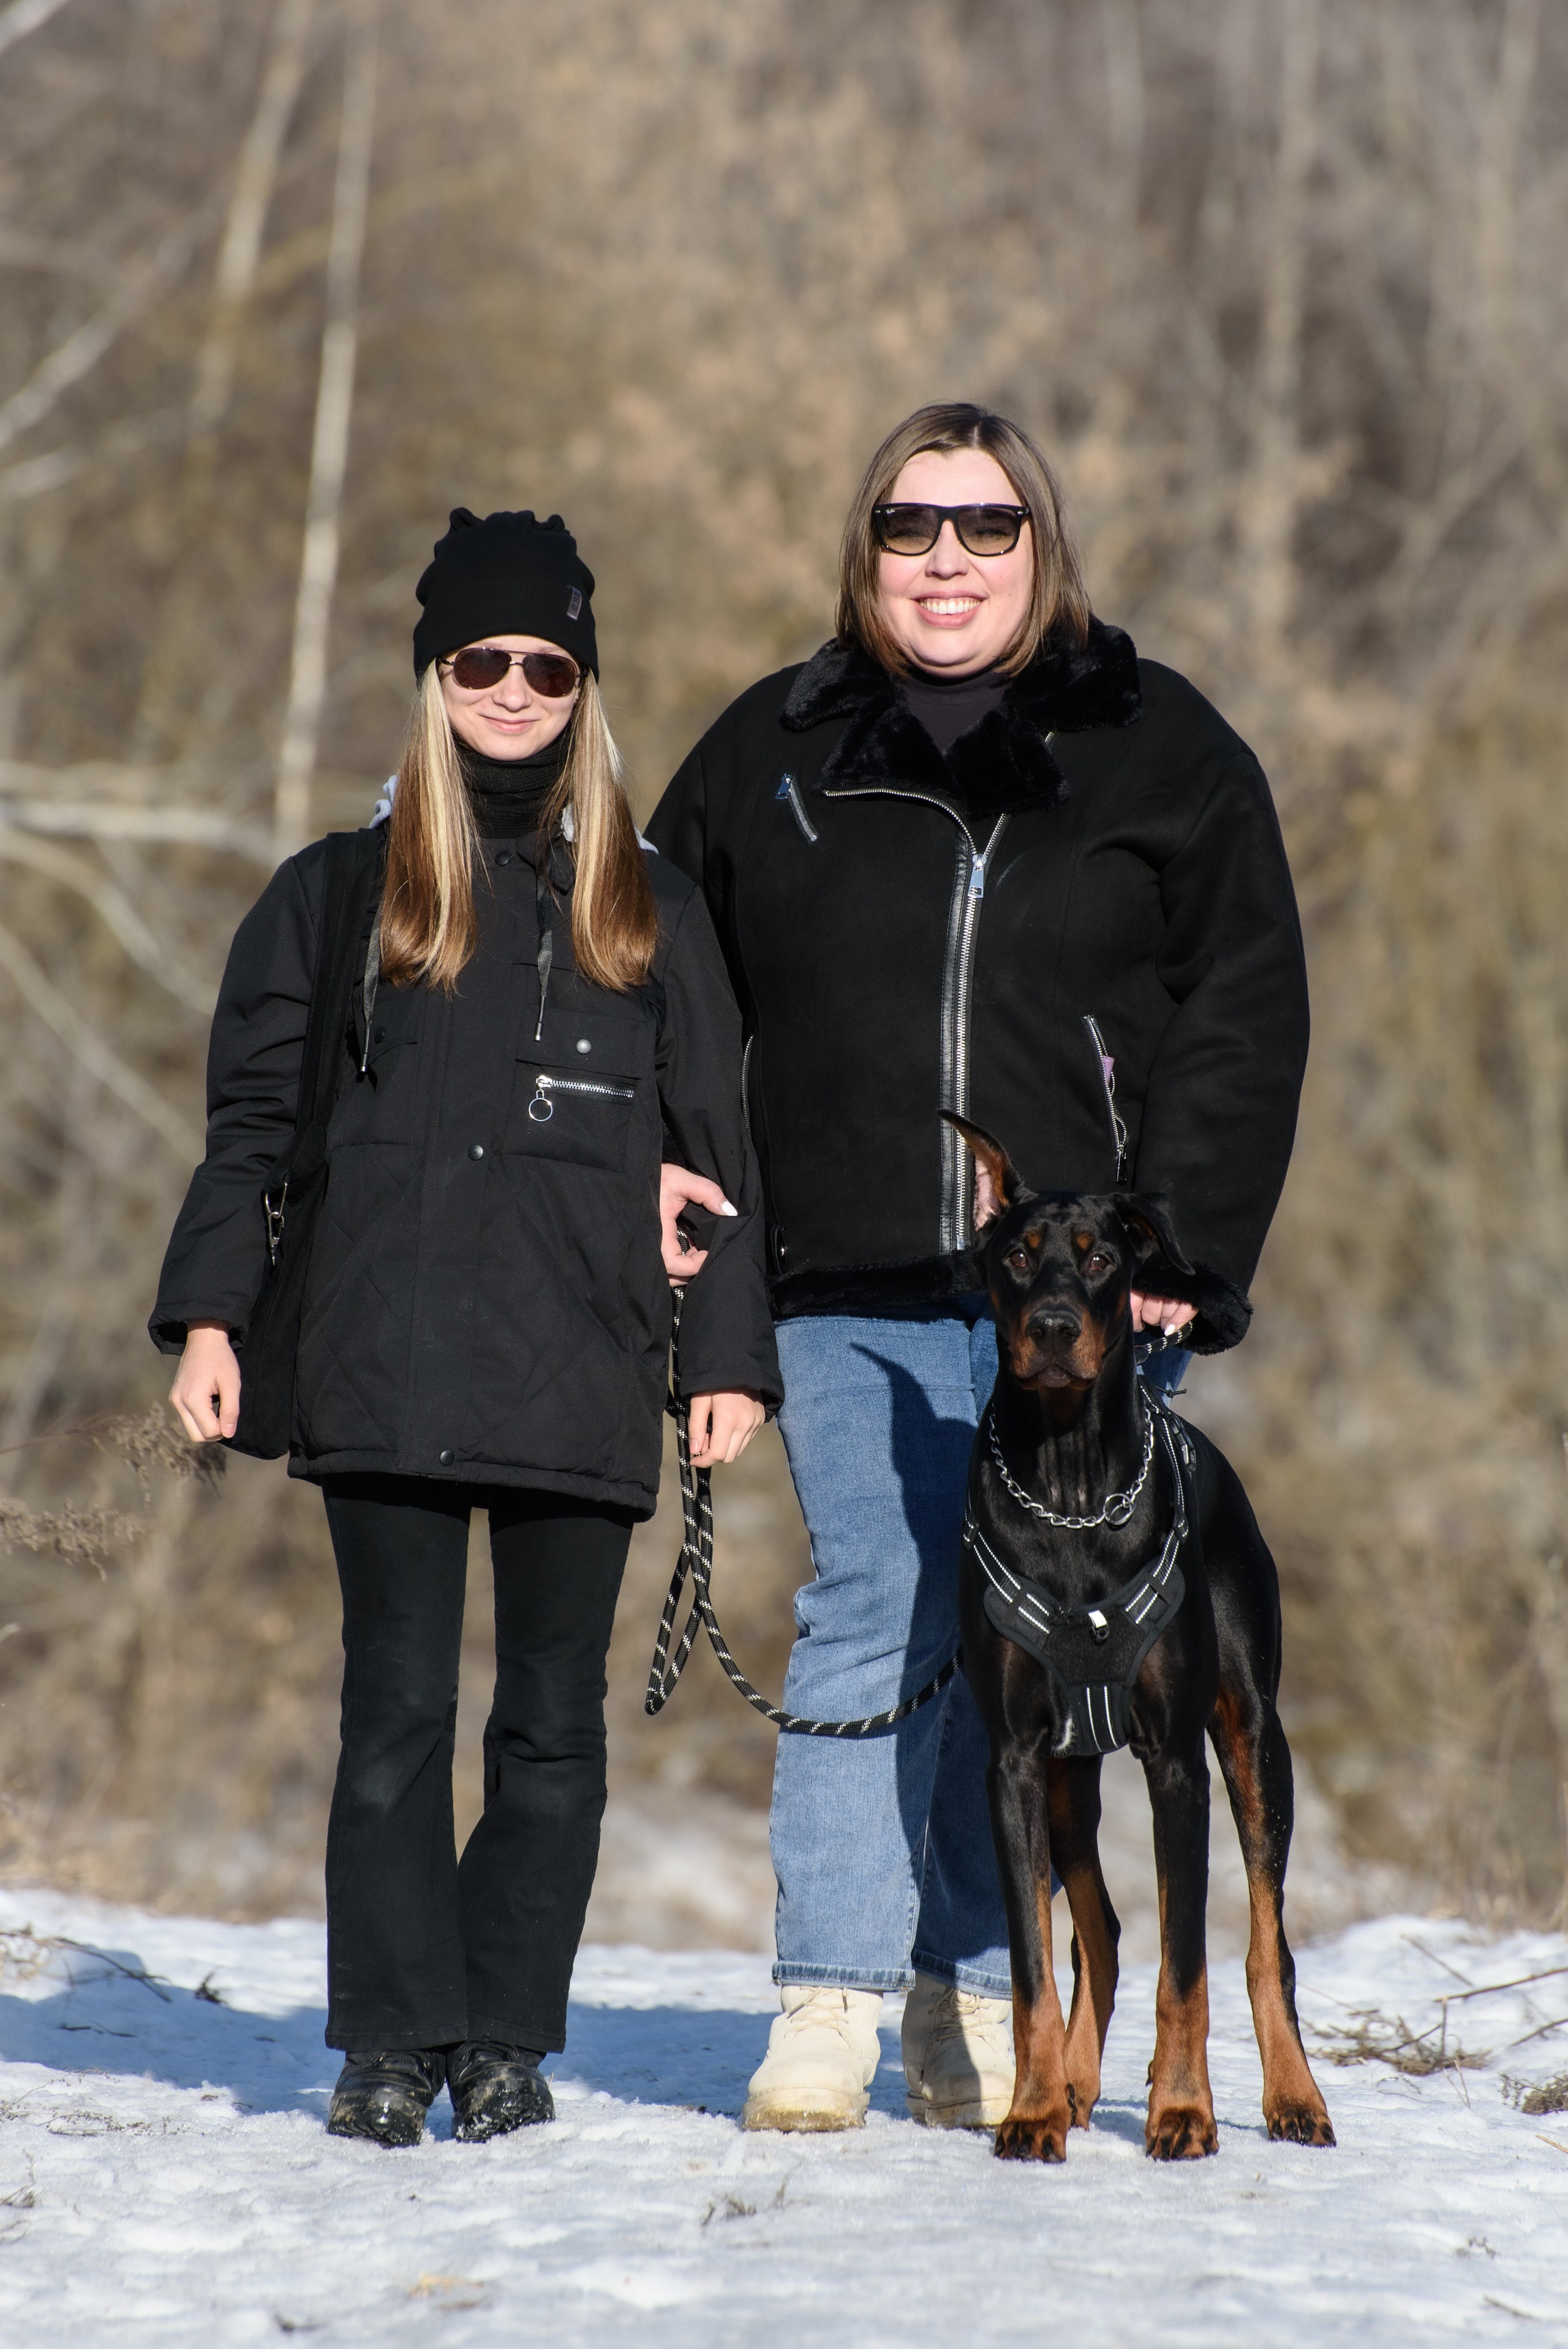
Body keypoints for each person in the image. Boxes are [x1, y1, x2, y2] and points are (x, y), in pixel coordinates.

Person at [647, 404, 1309, 2132]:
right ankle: (831, 1997)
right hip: (837, 1268)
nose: (947, 559)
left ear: (1044, 541)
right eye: (911, 525)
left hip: (1074, 1296)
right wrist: (666, 1171)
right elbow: (659, 978)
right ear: (865, 549)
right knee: (883, 1596)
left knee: (1025, 1647)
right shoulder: (770, 748)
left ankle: (970, 1967)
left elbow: (1244, 1007)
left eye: (986, 526)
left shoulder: (1164, 748)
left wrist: (1191, 1248)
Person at [153, 507, 781, 2148]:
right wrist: (210, 1315)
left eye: (547, 664)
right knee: (395, 1717)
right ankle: (387, 2039)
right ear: (434, 674)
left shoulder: (648, 909)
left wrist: (725, 1357)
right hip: (388, 1357)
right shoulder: (336, 895)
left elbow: (720, 1153)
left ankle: (503, 2036)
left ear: (585, 685)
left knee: (549, 1726)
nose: (513, 688)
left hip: (582, 1357)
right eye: (481, 659)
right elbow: (250, 1133)